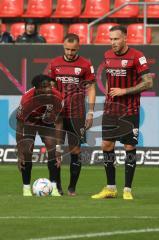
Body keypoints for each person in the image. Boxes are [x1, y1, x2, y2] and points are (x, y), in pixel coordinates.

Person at [91, 25, 153, 200]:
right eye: (110, 39)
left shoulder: (137, 56)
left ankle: (127, 189)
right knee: (106, 146)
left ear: (125, 38)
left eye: (116, 39)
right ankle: (111, 188)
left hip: (130, 109)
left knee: (129, 147)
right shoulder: (107, 56)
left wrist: (124, 91)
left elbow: (148, 83)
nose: (113, 43)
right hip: (111, 109)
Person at [49, 33, 96, 196]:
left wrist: (90, 112)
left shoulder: (85, 65)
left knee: (75, 151)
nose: (70, 53)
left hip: (77, 114)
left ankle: (72, 188)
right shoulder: (55, 64)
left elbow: (90, 88)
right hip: (58, 115)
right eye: (67, 49)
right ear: (63, 46)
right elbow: (50, 86)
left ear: (78, 47)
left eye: (73, 50)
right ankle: (57, 187)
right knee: (56, 150)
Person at [16, 74, 63, 196]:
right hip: (29, 123)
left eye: (49, 85)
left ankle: (54, 188)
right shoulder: (27, 100)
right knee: (26, 151)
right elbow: (20, 125)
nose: (48, 89)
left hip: (46, 122)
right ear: (37, 89)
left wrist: (59, 147)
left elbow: (58, 122)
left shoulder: (57, 96)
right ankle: (26, 188)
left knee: (52, 149)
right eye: (44, 86)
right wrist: (19, 150)